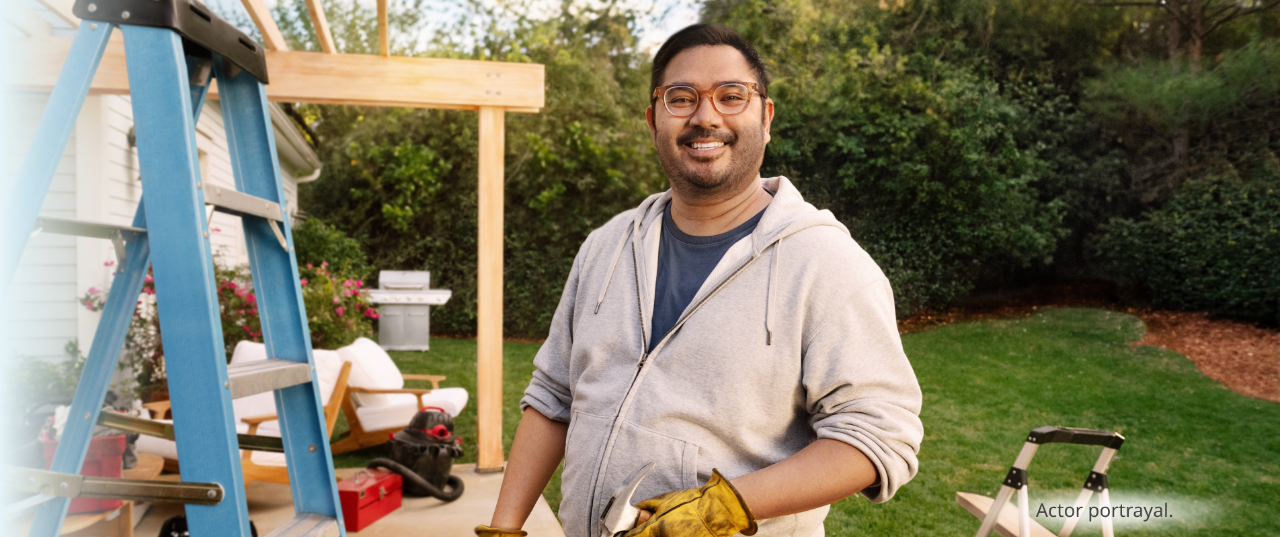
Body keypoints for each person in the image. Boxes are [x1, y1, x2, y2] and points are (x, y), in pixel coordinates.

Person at [477, 24, 923, 537]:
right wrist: (505, 527)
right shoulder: (606, 246)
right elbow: (553, 396)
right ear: (653, 120)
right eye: (680, 97)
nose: (705, 116)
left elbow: (878, 437)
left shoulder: (827, 263)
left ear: (766, 116)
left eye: (731, 96)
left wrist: (721, 509)